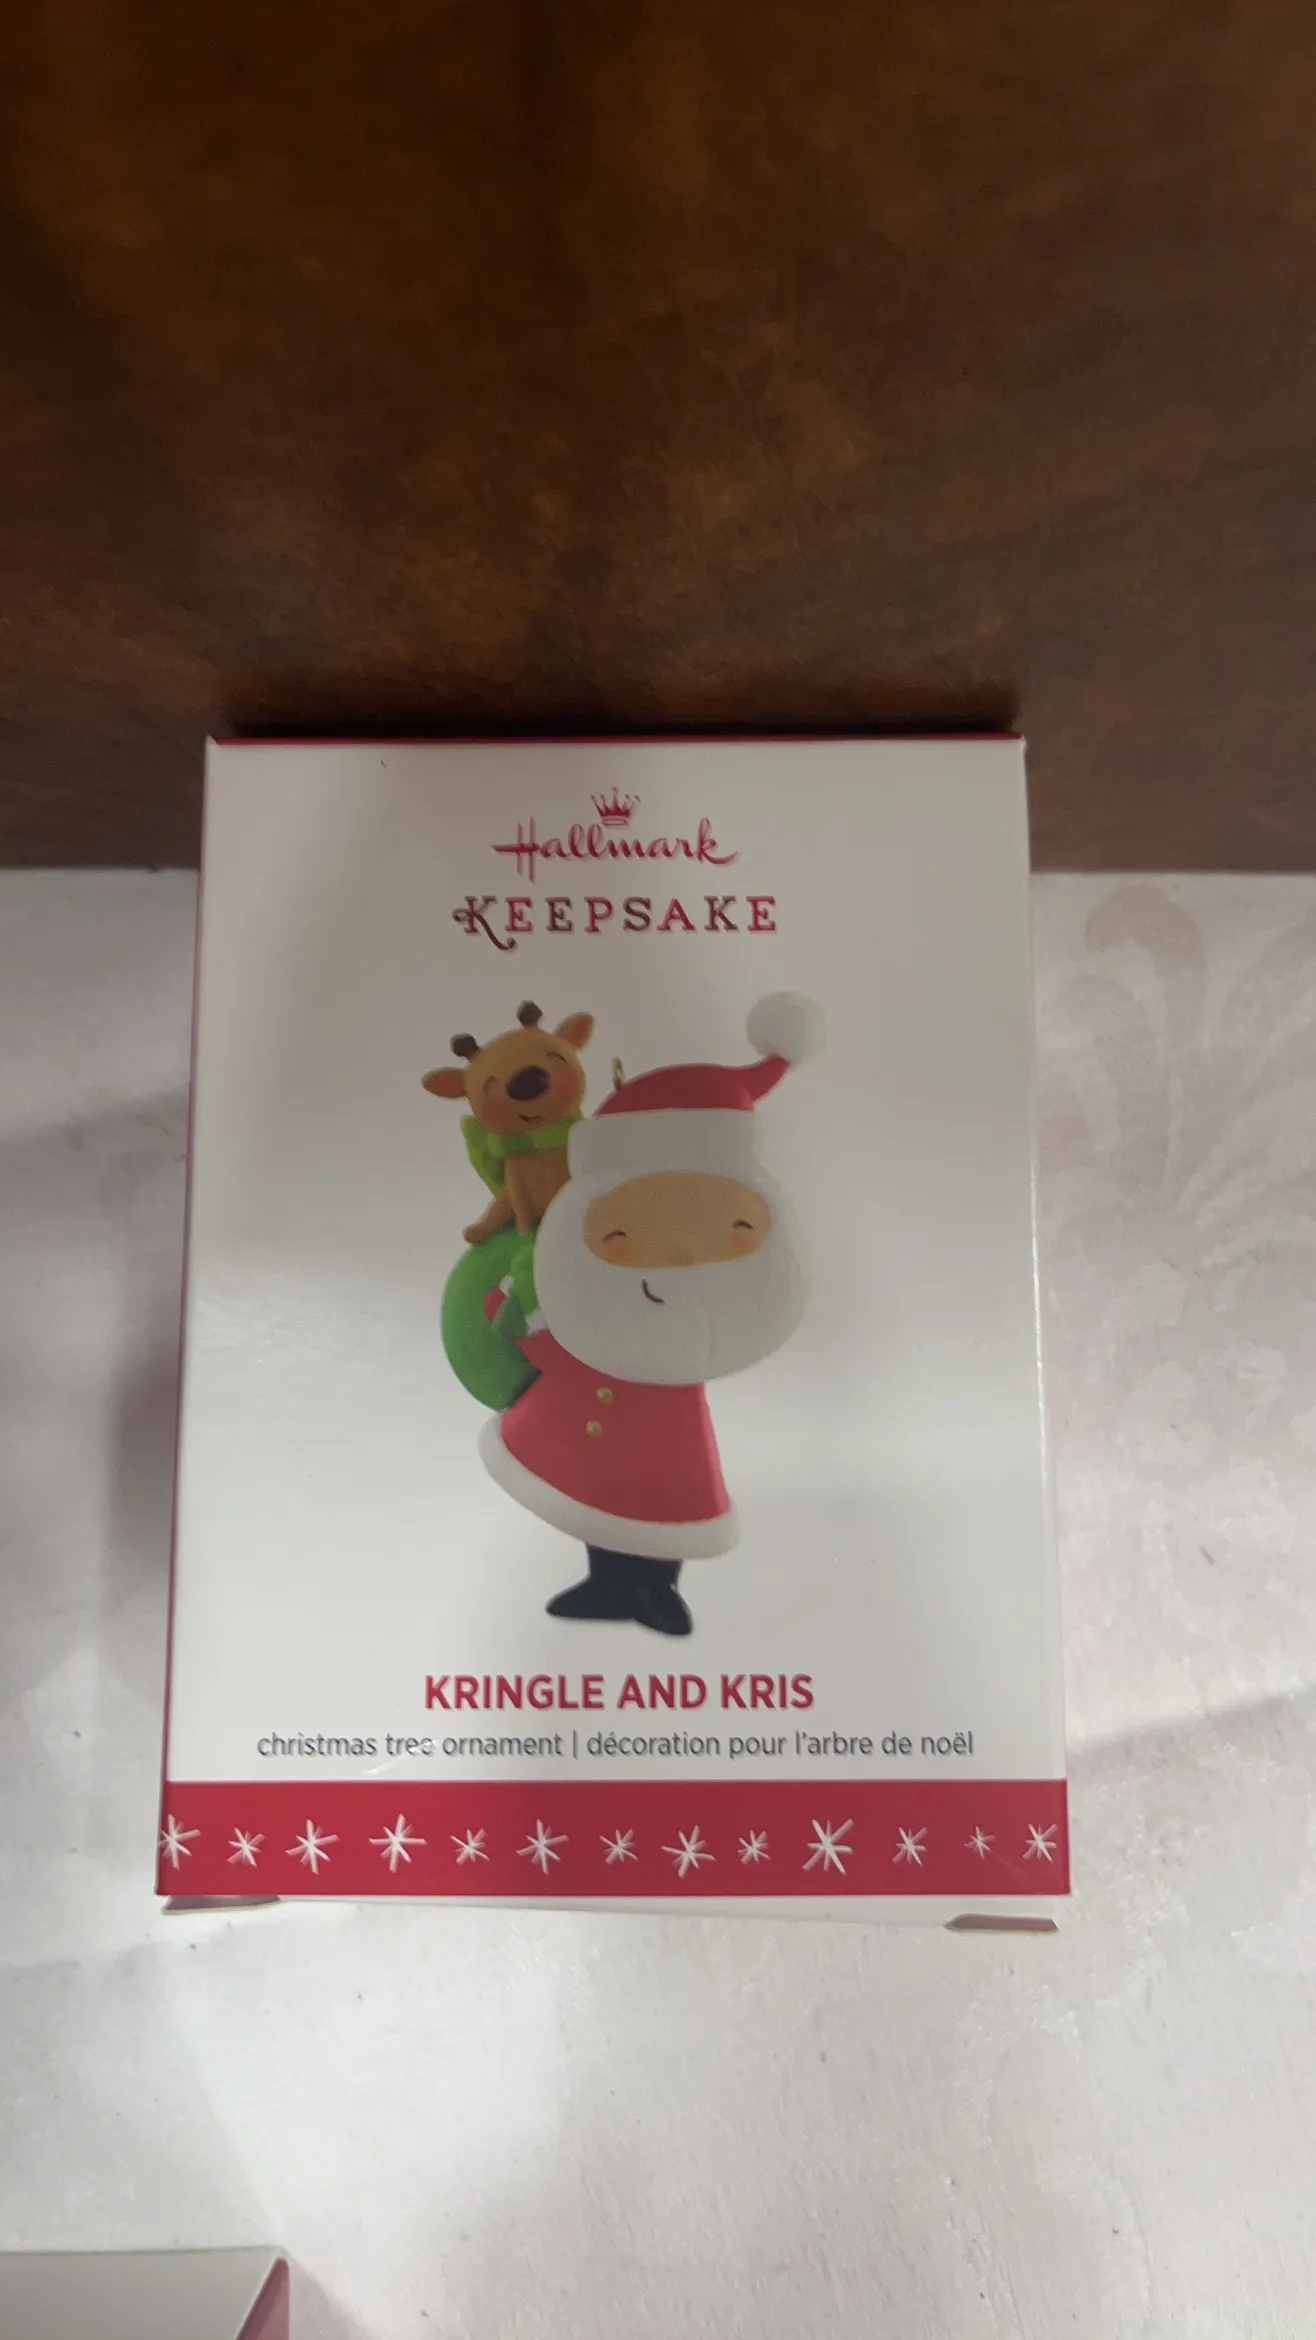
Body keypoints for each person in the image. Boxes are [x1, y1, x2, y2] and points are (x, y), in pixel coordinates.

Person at [479, 994, 822, 1634]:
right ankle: (607, 1583)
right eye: (625, 1235)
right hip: (576, 1405)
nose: (676, 1256)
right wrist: (519, 1310)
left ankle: (655, 1588)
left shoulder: (692, 1334)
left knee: (665, 1495)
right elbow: (526, 1317)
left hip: (665, 1418)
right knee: (592, 1492)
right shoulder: (571, 1277)